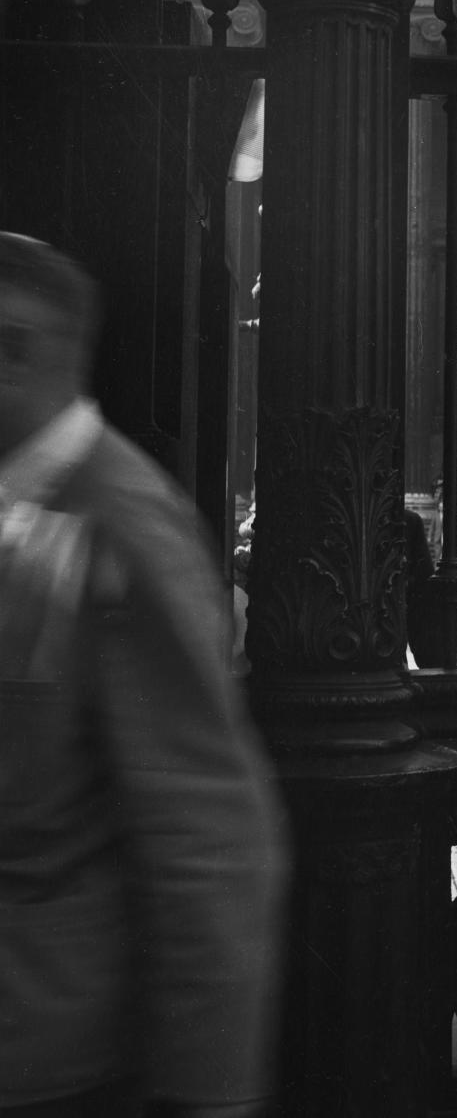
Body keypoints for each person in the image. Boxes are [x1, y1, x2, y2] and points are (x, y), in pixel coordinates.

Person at [0, 233, 288, 1115]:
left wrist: (208, 1092)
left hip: (55, 1053)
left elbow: (205, 830)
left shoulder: (123, 519)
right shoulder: (27, 500)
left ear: (21, 352)